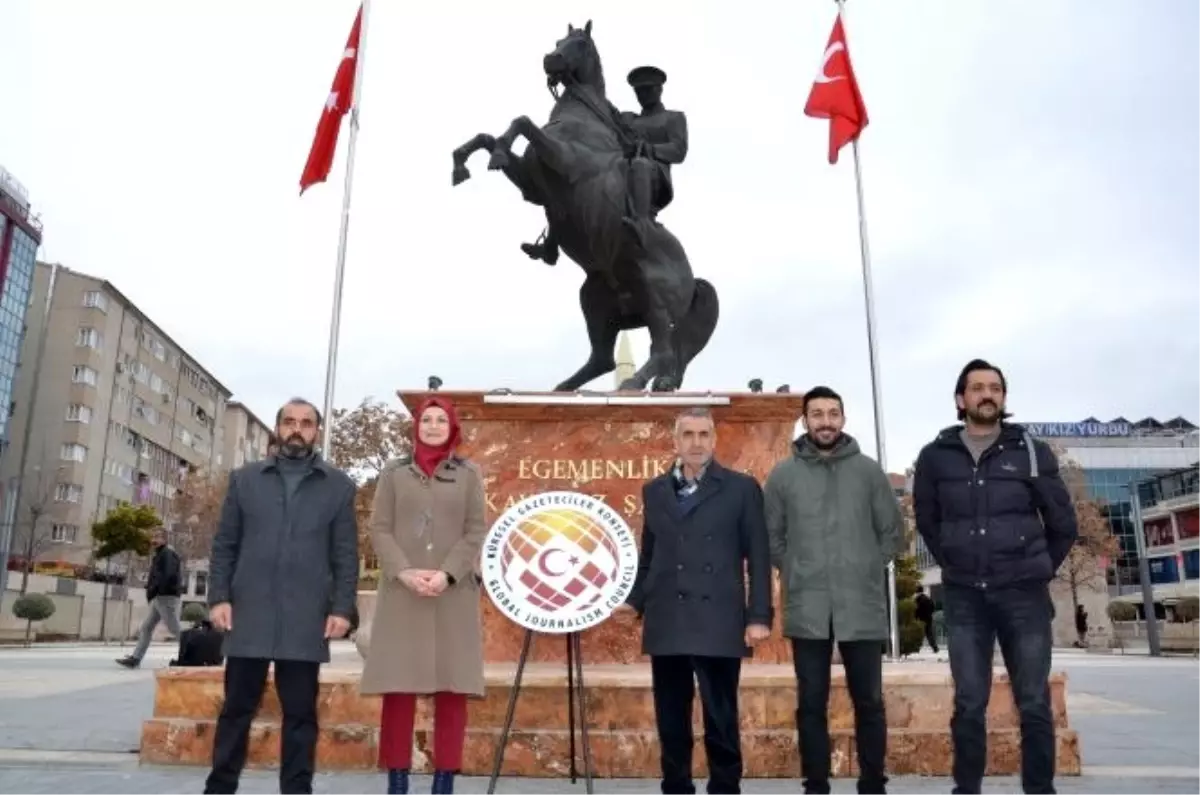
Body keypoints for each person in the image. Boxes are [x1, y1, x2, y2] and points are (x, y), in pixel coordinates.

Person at [912, 359, 1077, 795]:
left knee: (1034, 702)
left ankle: (1039, 790)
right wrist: (954, 560)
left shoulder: (1031, 451)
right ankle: (967, 789)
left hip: (1024, 596)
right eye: (978, 387)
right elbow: (929, 521)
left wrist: (1038, 567)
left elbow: (1063, 523)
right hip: (966, 598)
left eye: (996, 388)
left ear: (1003, 397)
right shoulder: (934, 457)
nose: (988, 394)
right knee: (968, 702)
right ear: (960, 399)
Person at [202, 398, 360, 795]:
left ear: (316, 432)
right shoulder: (245, 480)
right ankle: (219, 788)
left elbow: (345, 553)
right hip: (248, 612)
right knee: (236, 710)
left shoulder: (338, 487)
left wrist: (342, 607)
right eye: (289, 421)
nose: (297, 429)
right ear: (277, 428)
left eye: (306, 423)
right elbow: (225, 545)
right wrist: (218, 597)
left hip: (306, 616)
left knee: (301, 716)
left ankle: (296, 790)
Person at [613, 406, 773, 795]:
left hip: (719, 618)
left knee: (720, 718)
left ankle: (725, 787)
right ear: (676, 441)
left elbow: (759, 555)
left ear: (715, 440)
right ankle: (676, 786)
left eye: (704, 434)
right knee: (671, 719)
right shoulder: (654, 491)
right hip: (668, 619)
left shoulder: (741, 488)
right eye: (688, 435)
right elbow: (648, 555)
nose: (696, 442)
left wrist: (759, 616)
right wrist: (634, 602)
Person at [764, 386, 903, 795]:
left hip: (861, 604)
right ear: (805, 420)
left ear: (843, 418)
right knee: (810, 704)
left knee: (870, 704)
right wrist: (793, 567)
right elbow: (772, 535)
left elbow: (892, 532)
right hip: (808, 606)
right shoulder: (783, 475)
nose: (826, 421)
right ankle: (816, 785)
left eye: (833, 413)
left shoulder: (869, 471)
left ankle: (873, 784)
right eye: (817, 414)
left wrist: (866, 566)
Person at [359, 396, 487, 795]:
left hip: (453, 595)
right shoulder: (394, 473)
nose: (432, 426)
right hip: (404, 594)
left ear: (452, 427)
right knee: (398, 691)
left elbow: (475, 530)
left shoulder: (468, 474)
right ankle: (398, 781)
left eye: (440, 420)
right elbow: (380, 529)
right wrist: (405, 571)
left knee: (453, 692)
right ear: (416, 426)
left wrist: (448, 574)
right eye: (426, 420)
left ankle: (444, 781)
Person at [521, 64, 689, 265]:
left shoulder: (673, 117)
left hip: (653, 173)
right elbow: (600, 108)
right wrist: (572, 80)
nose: (643, 95)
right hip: (619, 166)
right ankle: (551, 244)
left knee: (640, 164)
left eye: (647, 89)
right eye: (639, 91)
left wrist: (649, 149)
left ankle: (642, 224)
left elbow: (678, 150)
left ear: (659, 89)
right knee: (574, 178)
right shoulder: (628, 118)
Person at [116, 526, 183, 668]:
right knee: (146, 628)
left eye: (158, 537)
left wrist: (157, 588)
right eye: (153, 537)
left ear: (164, 539)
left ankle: (194, 654)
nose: (154, 540)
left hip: (165, 597)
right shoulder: (160, 554)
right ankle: (135, 659)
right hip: (159, 598)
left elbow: (169, 575)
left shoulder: (168, 554)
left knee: (175, 629)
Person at [914, 585, 939, 654]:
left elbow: (916, 610)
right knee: (929, 634)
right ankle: (935, 648)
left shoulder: (918, 599)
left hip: (920, 619)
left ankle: (916, 648)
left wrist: (916, 617)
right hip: (928, 618)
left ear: (917, 592)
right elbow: (933, 607)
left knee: (918, 634)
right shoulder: (928, 598)